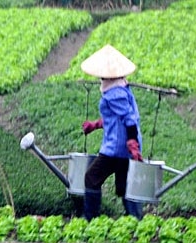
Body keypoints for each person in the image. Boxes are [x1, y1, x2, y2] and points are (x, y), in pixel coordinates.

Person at [80, 44, 143, 221]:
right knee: (125, 186)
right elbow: (115, 119)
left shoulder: (114, 92)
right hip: (122, 146)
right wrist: (96, 124)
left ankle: (90, 220)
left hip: (116, 147)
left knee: (91, 178)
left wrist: (132, 143)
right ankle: (136, 223)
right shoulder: (119, 87)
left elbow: (128, 119)